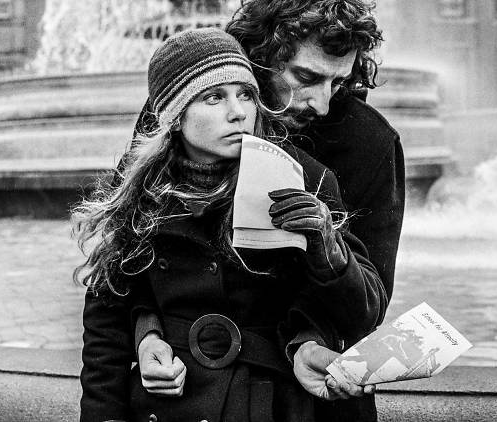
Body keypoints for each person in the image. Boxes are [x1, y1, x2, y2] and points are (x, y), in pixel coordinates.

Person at [75, 28, 387, 422]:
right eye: (213, 97)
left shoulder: (303, 178)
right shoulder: (140, 187)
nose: (238, 111)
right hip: (169, 403)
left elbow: (359, 311)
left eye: (245, 94)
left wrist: (328, 249)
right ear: (174, 115)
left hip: (270, 402)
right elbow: (108, 316)